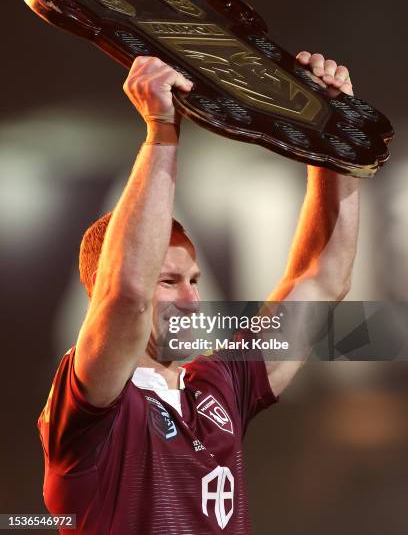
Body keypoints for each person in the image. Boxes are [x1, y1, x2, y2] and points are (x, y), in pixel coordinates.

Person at [38, 51, 359, 534]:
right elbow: (127, 295)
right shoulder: (91, 405)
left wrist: (335, 136)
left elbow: (323, 277)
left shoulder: (222, 384)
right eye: (167, 281)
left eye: (194, 281)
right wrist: (161, 130)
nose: (191, 301)